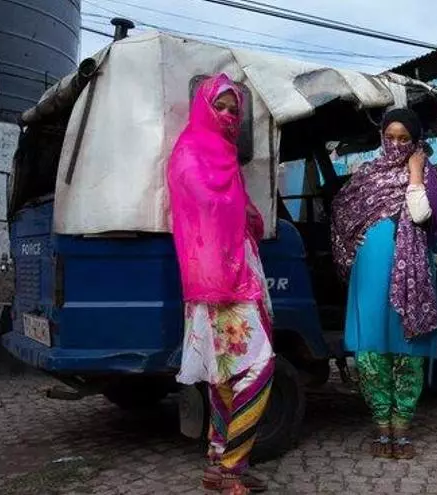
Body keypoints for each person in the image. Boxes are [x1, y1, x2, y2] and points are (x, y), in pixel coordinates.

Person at [168, 73, 271, 495]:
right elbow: (204, 214)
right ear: (204, 107)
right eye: (220, 106)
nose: (227, 115)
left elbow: (241, 214)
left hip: (241, 271)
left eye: (234, 109)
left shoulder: (226, 156)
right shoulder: (189, 152)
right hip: (218, 280)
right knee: (260, 368)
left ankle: (217, 462)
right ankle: (233, 467)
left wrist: (246, 214)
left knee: (224, 376)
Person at [331, 108, 437, 459]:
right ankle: (382, 426)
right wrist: (352, 240)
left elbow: (421, 215)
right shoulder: (368, 173)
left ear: (415, 141)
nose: (396, 144)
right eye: (390, 137)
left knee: (408, 350)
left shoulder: (426, 173)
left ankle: (402, 427)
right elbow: (341, 209)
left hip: (414, 275)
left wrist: (415, 172)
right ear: (382, 137)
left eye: (404, 138)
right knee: (372, 350)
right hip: (370, 273)